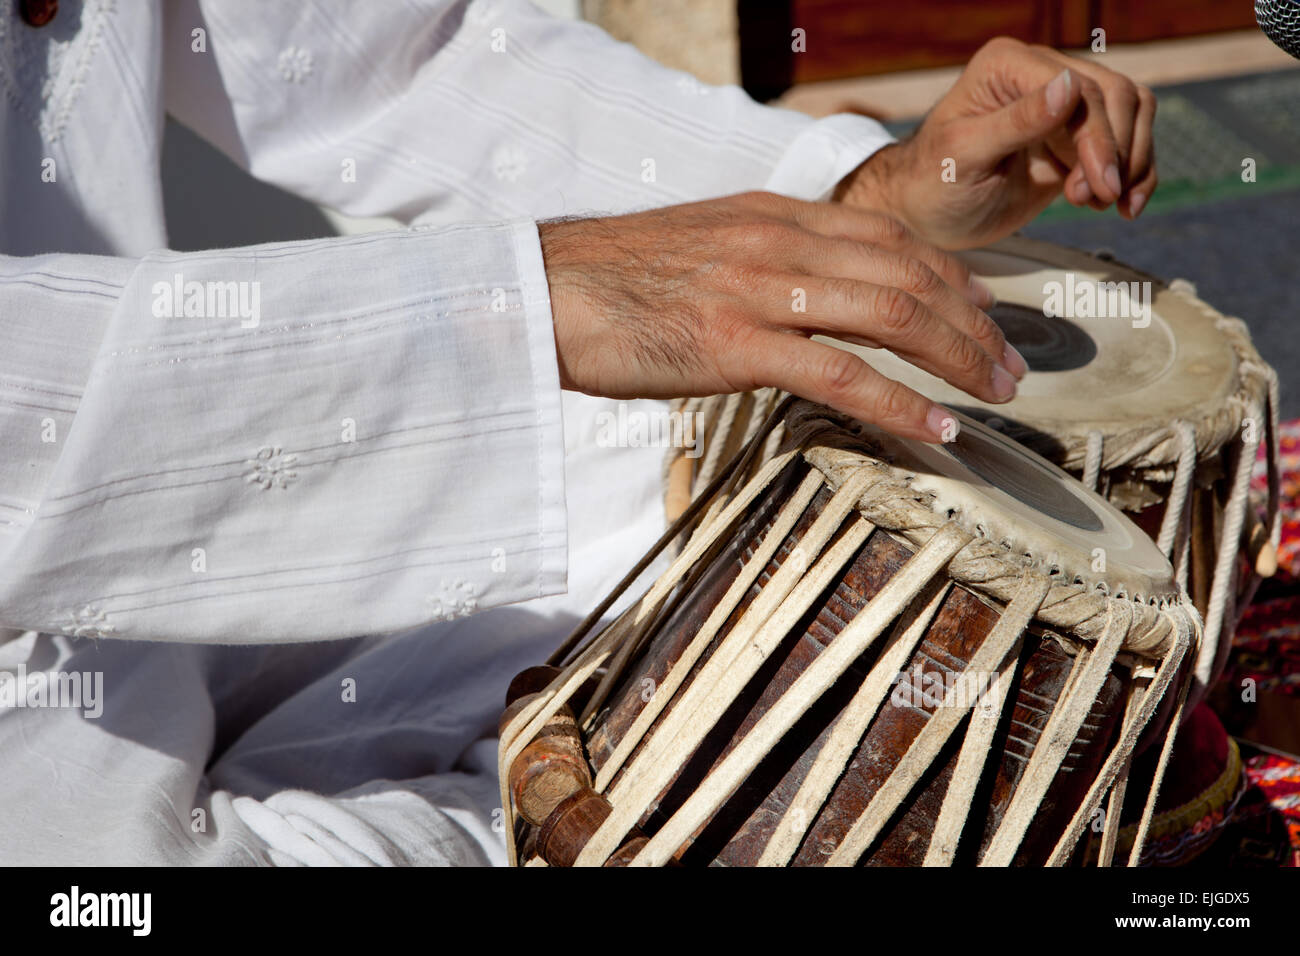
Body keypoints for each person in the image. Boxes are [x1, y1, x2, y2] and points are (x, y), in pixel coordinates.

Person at [0, 0, 1156, 865]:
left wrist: (862, 198)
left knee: (729, 480)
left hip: (154, 551)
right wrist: (524, 303)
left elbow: (397, 61)